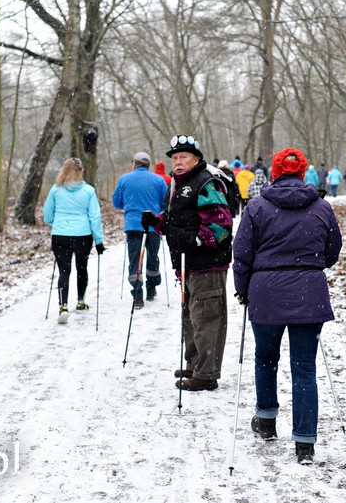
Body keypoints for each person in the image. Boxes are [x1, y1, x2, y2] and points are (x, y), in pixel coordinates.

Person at [232, 147, 341, 465]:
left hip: (266, 291)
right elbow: (332, 250)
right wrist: (311, 263)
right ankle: (304, 442)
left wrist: (243, 291)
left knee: (266, 357)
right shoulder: (321, 207)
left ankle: (266, 421)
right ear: (303, 171)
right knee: (304, 368)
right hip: (308, 290)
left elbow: (242, 254)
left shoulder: (257, 206)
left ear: (275, 173)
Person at [141, 134, 233, 392]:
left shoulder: (206, 183)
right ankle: (194, 364)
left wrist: (196, 241)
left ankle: (206, 374)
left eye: (184, 157)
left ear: (197, 159)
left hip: (207, 264)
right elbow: (177, 224)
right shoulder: (178, 185)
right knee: (191, 316)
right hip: (187, 264)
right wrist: (157, 221)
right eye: (175, 158)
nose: (178, 162)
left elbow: (222, 226)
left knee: (206, 317)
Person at [42, 158, 106, 324]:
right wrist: (99, 240)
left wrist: (54, 222)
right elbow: (95, 216)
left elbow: (47, 212)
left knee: (64, 271)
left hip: (60, 235)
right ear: (81, 171)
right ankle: (80, 301)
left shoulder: (56, 190)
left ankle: (63, 306)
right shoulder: (89, 191)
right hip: (83, 235)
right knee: (81, 267)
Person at [112, 152, 168, 308]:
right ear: (148, 165)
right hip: (153, 225)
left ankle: (137, 294)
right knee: (152, 256)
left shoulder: (124, 179)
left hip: (133, 225)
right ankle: (151, 288)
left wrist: (130, 205)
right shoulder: (159, 180)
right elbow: (165, 203)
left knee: (135, 258)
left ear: (135, 163)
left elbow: (117, 202)